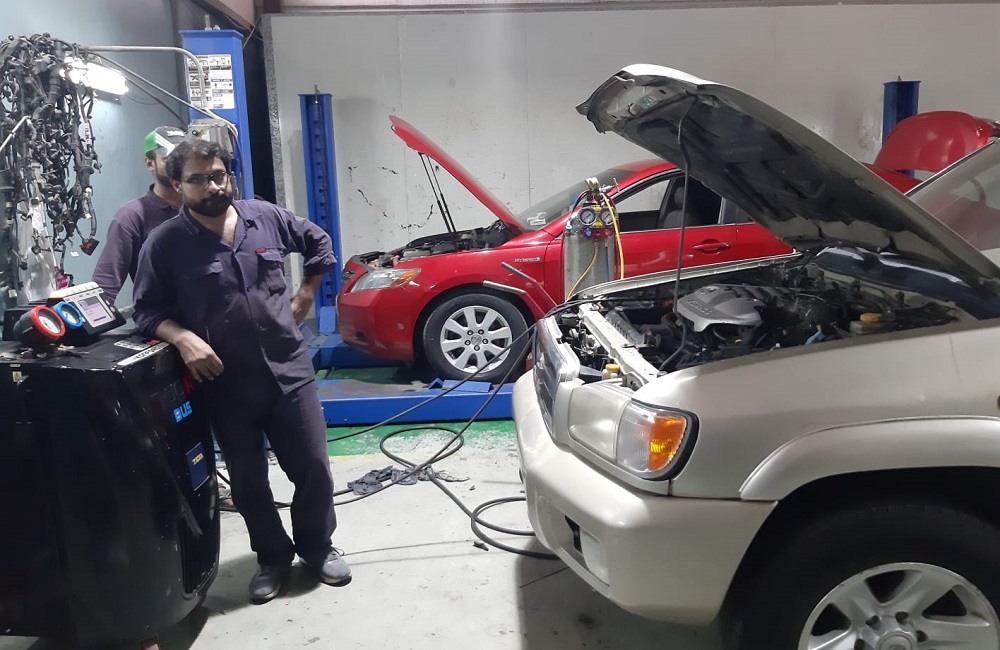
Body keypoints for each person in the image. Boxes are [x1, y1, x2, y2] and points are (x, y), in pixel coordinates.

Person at [131, 139, 350, 604]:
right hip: (224, 383)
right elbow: (147, 311)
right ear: (177, 185)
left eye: (218, 175)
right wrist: (183, 338)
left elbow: (318, 242)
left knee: (313, 467)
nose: (212, 185)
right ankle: (272, 558)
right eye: (197, 179)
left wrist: (307, 293)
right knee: (248, 482)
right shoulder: (164, 244)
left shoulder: (264, 217)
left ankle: (317, 547)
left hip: (288, 369)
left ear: (229, 175)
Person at [92, 126, 187, 304]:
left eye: (184, 159)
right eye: (170, 159)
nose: (179, 166)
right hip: (163, 317)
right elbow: (105, 287)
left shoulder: (204, 207)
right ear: (150, 163)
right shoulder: (131, 217)